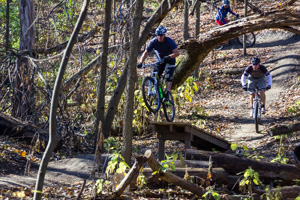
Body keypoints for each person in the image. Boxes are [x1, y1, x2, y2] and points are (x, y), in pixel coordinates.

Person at [137, 26, 180, 100]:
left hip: (170, 60)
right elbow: (146, 53)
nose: (159, 37)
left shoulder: (169, 41)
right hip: (160, 61)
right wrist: (140, 62)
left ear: (164, 35)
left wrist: (169, 57)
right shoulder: (153, 42)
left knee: (168, 75)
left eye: (161, 36)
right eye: (158, 35)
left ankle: (167, 92)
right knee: (155, 75)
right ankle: (158, 95)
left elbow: (177, 53)